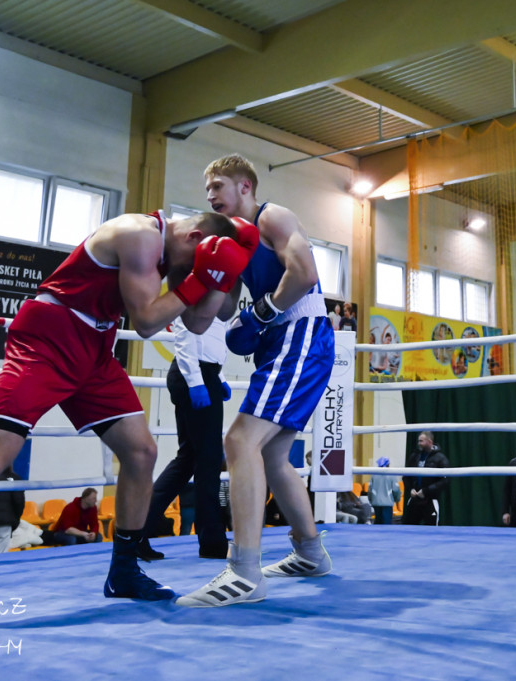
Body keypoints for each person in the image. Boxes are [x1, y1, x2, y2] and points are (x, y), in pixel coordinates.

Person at [0, 209, 257, 635]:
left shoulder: (177, 251)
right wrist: (199, 276)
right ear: (195, 235)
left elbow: (201, 318)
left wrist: (220, 276)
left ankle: (125, 571)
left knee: (141, 452)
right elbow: (150, 322)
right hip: (48, 339)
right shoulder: (140, 235)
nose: (185, 272)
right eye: (192, 263)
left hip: (95, 348)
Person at [177, 154, 335, 608]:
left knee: (240, 441)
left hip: (300, 333)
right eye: (207, 189)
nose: (210, 196)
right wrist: (198, 276)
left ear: (245, 186)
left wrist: (262, 310)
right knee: (271, 452)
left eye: (218, 186)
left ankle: (243, 572)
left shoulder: (274, 217)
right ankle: (309, 553)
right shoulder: (230, 240)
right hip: (277, 340)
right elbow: (218, 315)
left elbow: (302, 275)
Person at [140, 317, 231, 562]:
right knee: (208, 460)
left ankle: (138, 530)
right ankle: (212, 541)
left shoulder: (218, 296)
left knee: (189, 459)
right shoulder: (198, 287)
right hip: (195, 373)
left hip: (204, 373)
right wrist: (196, 381)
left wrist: (218, 379)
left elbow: (209, 340)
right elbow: (186, 333)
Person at [402, 431, 450, 526]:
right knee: (407, 529)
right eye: (418, 441)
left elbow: (445, 480)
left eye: (421, 441)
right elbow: (406, 476)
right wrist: (411, 489)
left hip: (430, 500)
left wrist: (426, 490)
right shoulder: (414, 456)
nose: (419, 443)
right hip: (415, 499)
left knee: (431, 530)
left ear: (429, 441)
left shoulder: (440, 458)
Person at [368, 457, 401, 524]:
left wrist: (371, 500)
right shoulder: (392, 475)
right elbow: (396, 490)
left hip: (376, 503)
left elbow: (370, 490)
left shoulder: (374, 475)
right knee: (386, 525)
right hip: (387, 504)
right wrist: (397, 499)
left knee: (377, 523)